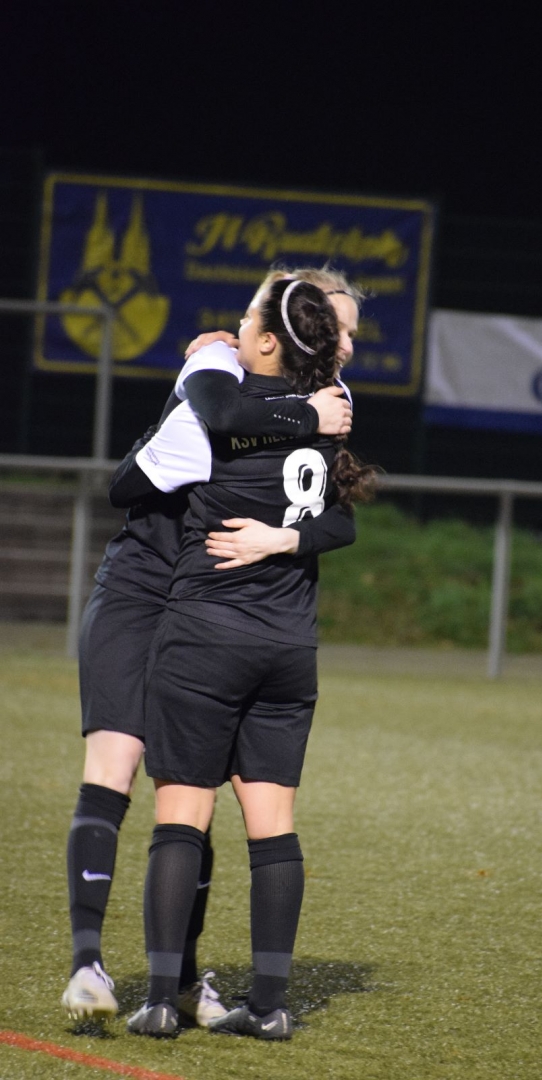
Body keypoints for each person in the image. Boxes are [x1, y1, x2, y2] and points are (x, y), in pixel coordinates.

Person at [61, 270, 357, 1025]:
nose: (347, 347)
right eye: (339, 330)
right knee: (119, 769)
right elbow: (132, 480)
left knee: (192, 801)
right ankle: (89, 964)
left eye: (352, 334)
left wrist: (282, 534)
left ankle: (179, 983)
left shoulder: (324, 401)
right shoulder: (228, 372)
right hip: (150, 587)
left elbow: (337, 517)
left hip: (215, 609)